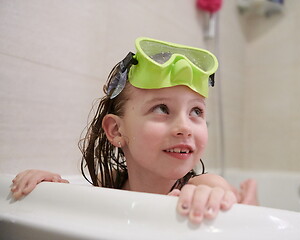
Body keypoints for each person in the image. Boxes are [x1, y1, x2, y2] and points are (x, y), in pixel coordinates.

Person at [11, 37, 258, 224]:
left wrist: (216, 197)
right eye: (162, 108)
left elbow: (217, 192)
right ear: (116, 130)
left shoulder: (203, 184)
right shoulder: (108, 186)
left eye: (196, 112)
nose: (185, 127)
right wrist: (51, 187)